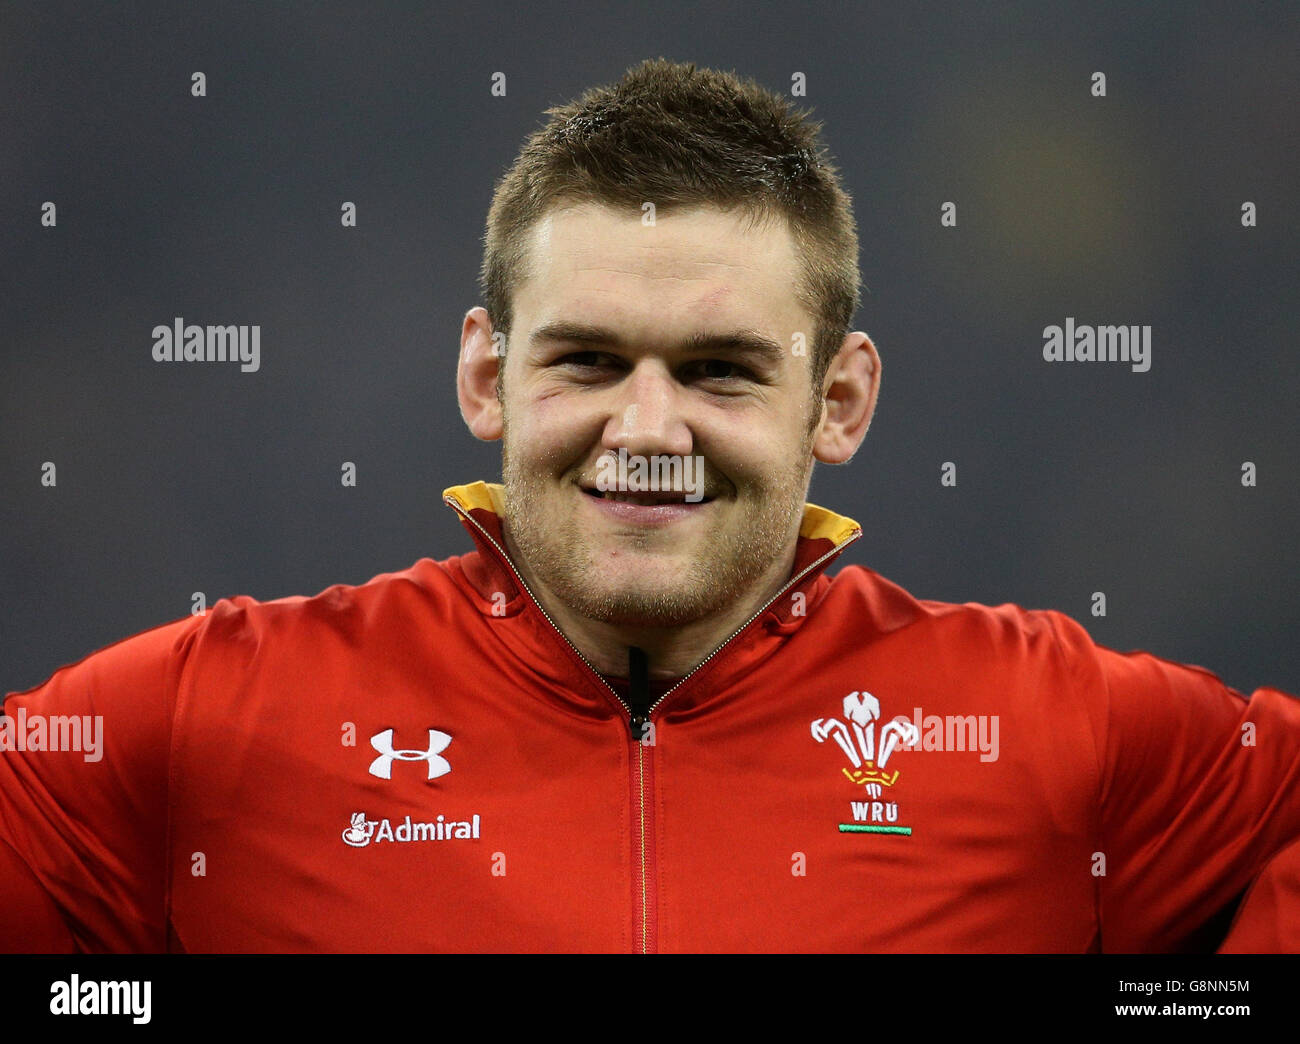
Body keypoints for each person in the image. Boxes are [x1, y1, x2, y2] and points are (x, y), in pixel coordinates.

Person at [2, 58, 1296, 954]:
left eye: (720, 370)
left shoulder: (1045, 729)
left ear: (839, 404)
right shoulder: (221, 718)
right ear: (485, 376)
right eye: (589, 359)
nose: (648, 428)